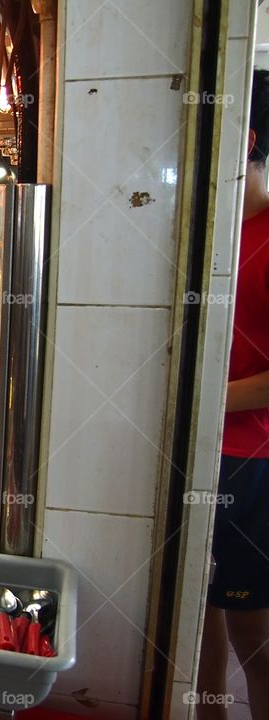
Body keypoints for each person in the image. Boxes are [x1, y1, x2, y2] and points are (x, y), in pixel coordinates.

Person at [197, 69, 269, 720]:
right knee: (200, 610)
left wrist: (199, 399)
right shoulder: (216, 233)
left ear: (242, 138)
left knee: (253, 629)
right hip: (208, 452)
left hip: (255, 461)